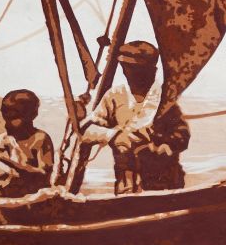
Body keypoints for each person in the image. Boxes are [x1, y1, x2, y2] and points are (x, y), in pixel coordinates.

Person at [78, 40, 189, 193]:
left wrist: (167, 146)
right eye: (127, 68)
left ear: (152, 70)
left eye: (137, 69)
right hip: (127, 184)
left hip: (163, 183)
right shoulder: (115, 96)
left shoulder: (164, 98)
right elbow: (85, 131)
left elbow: (182, 134)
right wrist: (113, 135)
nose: (130, 73)